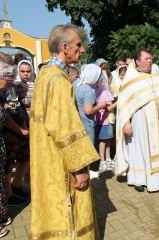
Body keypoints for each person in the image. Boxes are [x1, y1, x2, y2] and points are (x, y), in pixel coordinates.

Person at [29, 24, 99, 239]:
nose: (83, 49)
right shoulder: (59, 81)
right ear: (65, 47)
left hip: (45, 156)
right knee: (70, 210)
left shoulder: (44, 74)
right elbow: (64, 128)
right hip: (61, 161)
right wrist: (78, 168)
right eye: (79, 44)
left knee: (50, 205)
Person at [115, 48, 159, 193]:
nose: (150, 61)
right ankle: (139, 179)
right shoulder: (131, 80)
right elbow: (124, 106)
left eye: (151, 58)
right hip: (140, 123)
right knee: (140, 149)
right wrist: (126, 122)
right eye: (147, 58)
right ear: (137, 61)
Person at [0, 55, 29, 237]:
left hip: (15, 133)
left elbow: (11, 111)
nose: (10, 79)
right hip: (9, 136)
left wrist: (23, 128)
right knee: (7, 168)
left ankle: (8, 200)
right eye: (7, 74)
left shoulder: (11, 88)